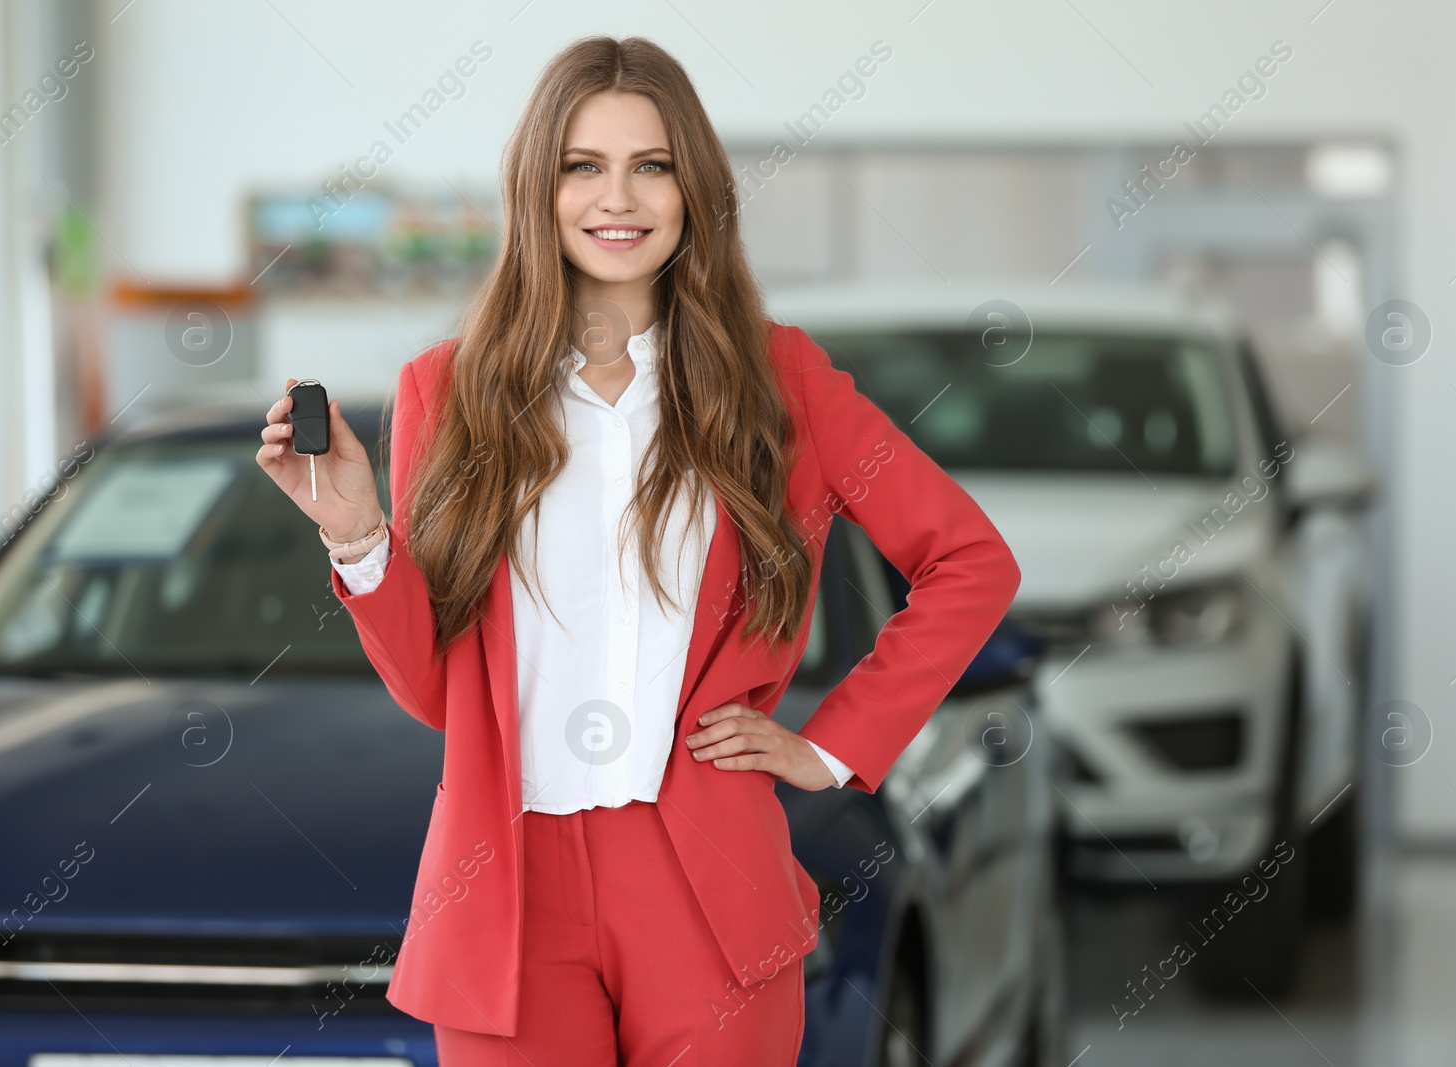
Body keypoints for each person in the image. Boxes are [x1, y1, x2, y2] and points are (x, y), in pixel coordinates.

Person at [256, 34, 1020, 1067]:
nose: (619, 198)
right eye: (584, 166)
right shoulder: (449, 389)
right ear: (540, 187)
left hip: (705, 876)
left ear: (692, 187)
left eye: (650, 165)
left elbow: (970, 560)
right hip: (506, 883)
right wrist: (355, 533)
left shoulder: (779, 382)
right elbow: (439, 691)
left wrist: (830, 745)